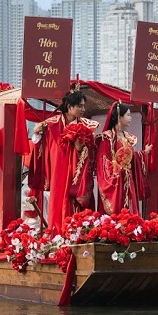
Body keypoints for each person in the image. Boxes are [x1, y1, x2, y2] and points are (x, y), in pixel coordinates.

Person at [29, 88, 98, 230]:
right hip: (58, 170)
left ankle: (80, 234)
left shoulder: (87, 125)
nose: (83, 109)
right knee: (59, 200)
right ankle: (58, 232)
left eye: (84, 106)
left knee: (77, 203)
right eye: (80, 106)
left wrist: (81, 147)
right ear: (69, 106)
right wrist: (36, 132)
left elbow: (91, 150)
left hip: (78, 174)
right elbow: (40, 145)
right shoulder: (51, 124)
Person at [95, 102, 152, 216]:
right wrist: (118, 170)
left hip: (127, 181)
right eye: (128, 115)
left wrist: (143, 153)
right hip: (116, 183)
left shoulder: (127, 137)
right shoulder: (107, 138)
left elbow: (130, 157)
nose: (130, 118)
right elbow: (103, 162)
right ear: (120, 117)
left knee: (129, 215)